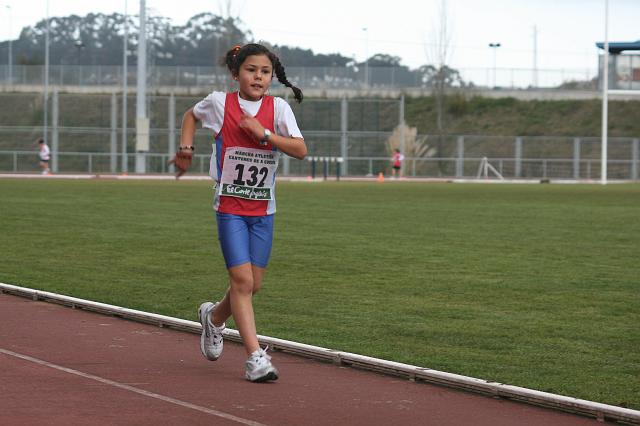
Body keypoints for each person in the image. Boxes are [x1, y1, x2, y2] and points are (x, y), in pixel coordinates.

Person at [170, 43, 307, 383]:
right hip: (229, 206)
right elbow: (191, 115)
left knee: (252, 284)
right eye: (251, 70)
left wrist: (264, 134)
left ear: (271, 77)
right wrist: (186, 149)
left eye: (265, 72)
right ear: (236, 73)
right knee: (242, 281)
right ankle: (255, 357)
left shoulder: (278, 109)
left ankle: (214, 318)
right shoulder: (220, 103)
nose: (258, 77)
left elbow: (300, 149)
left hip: (263, 209)